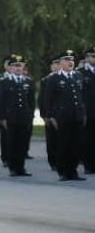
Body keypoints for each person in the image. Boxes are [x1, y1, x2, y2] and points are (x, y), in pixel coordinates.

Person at [40, 50, 88, 181]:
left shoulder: (78, 76)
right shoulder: (54, 79)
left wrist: (83, 113)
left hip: (77, 115)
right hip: (62, 116)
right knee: (64, 144)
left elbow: (81, 97)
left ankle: (73, 171)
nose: (70, 62)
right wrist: (50, 116)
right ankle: (63, 171)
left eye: (72, 59)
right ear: (60, 63)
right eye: (67, 59)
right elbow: (48, 100)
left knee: (76, 145)